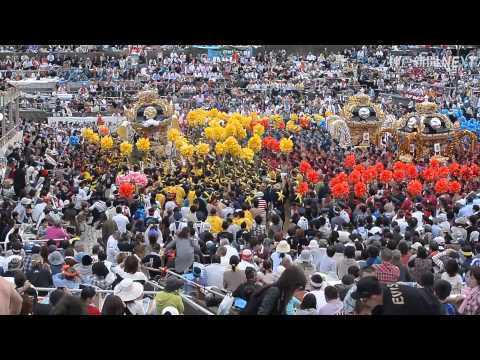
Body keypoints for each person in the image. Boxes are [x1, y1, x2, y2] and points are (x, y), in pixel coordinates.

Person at [351, 276, 444, 315]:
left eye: (364, 300)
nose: (363, 302)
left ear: (374, 297)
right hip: (428, 299)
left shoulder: (393, 310)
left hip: (433, 311)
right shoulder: (383, 288)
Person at [242, 265, 307, 315]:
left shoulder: (283, 293)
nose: (295, 291)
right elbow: (262, 313)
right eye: (296, 288)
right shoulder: (275, 291)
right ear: (291, 284)